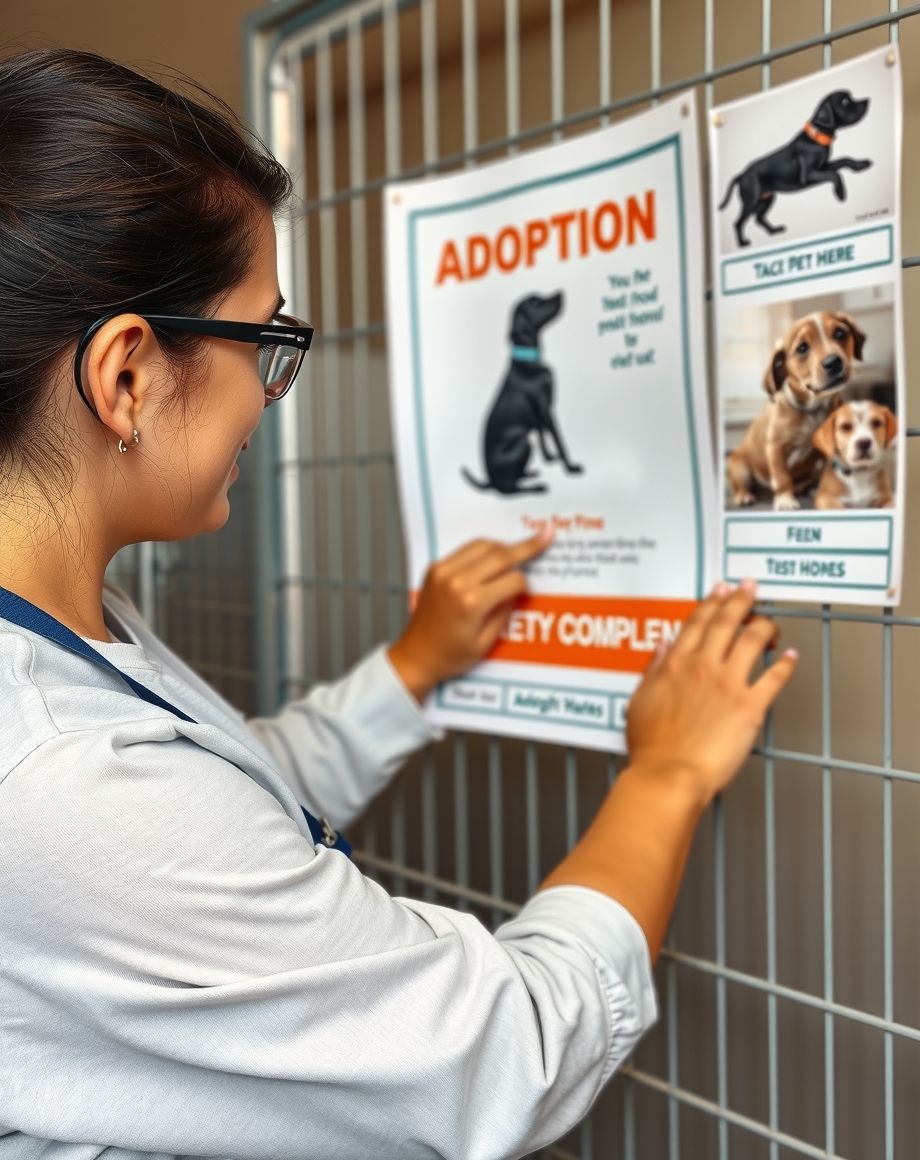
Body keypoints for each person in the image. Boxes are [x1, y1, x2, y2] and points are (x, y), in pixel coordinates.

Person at [0, 49, 798, 1160]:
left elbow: (223, 817)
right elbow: (508, 1051)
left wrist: (412, 669)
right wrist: (666, 773)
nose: (268, 398)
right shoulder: (63, 772)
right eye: (266, 342)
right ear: (126, 374)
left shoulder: (64, 638)